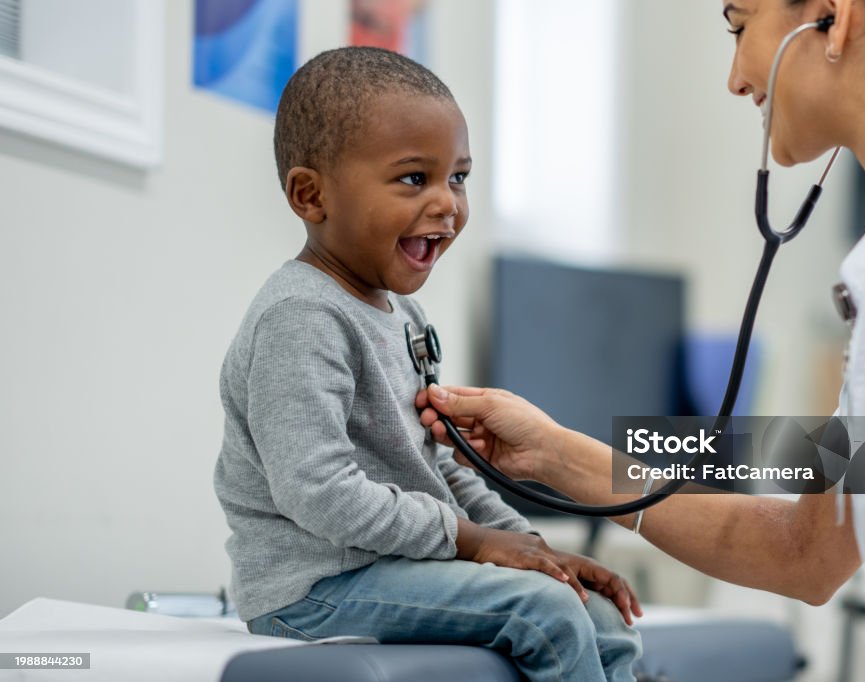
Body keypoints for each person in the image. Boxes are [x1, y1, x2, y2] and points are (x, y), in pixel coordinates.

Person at [418, 1, 865, 680]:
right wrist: (554, 453)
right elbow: (807, 552)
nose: (735, 78)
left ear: (831, 15)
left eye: (740, 27)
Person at [213, 46, 642, 682]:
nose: (448, 203)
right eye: (415, 178)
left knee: (595, 611)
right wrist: (475, 544)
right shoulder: (301, 317)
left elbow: (442, 467)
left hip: (396, 565)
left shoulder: (403, 318)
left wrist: (537, 551)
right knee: (545, 612)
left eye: (459, 178)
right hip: (314, 590)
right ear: (311, 195)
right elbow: (318, 493)